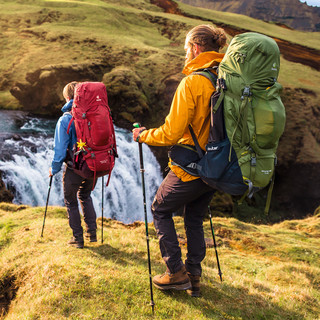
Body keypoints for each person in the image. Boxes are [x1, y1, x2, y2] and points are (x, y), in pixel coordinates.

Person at [132, 24, 227, 296]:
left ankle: (175, 272)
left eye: (187, 49)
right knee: (194, 218)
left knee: (160, 208)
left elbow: (172, 132)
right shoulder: (225, 77)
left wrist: (143, 136)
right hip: (217, 165)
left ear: (195, 48)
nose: (186, 54)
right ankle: (194, 277)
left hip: (191, 167)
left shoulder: (193, 81)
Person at [49, 81, 97, 249]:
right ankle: (92, 233)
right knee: (85, 195)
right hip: (94, 164)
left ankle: (77, 238)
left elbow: (60, 151)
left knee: (71, 200)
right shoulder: (94, 114)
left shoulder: (65, 119)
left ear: (68, 98)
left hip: (75, 167)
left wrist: (53, 169)